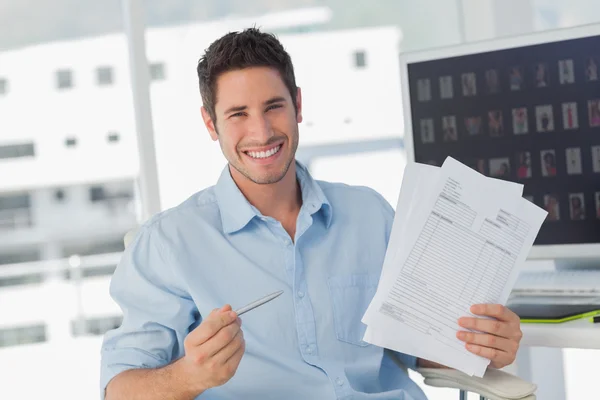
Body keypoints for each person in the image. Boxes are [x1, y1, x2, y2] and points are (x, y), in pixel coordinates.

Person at [100, 28, 523, 400]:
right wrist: (189, 377)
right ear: (211, 124)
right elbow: (118, 390)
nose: (262, 132)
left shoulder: (369, 214)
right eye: (237, 115)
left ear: (298, 105)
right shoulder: (170, 244)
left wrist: (481, 348)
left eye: (273, 107)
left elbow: (418, 348)